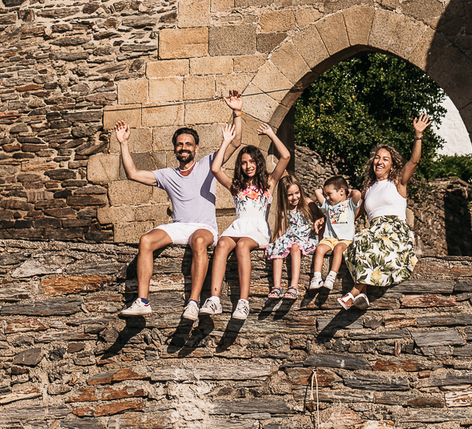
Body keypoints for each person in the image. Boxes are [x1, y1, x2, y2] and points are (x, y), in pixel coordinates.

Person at [116, 91, 243, 319]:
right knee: (146, 240)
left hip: (204, 227)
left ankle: (193, 302)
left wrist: (237, 112)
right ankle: (142, 301)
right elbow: (133, 173)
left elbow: (236, 142)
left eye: (188, 144)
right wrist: (124, 143)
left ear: (196, 148)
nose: (184, 147)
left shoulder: (208, 164)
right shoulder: (167, 175)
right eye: (180, 144)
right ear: (175, 148)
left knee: (199, 241)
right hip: (179, 226)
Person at [198, 121, 292, 320]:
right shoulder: (236, 186)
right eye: (243, 162)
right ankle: (214, 299)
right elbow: (215, 169)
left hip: (257, 229)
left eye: (252, 161)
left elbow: (285, 156)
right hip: (238, 226)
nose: (248, 166)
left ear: (258, 163)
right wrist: (226, 142)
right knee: (222, 244)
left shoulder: (269, 183)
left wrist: (271, 134)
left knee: (242, 246)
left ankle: (243, 301)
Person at [338, 113, 432, 310]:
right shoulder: (368, 189)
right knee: (358, 242)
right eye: (377, 158)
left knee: (371, 243)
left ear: (392, 164)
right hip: (374, 232)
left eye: (385, 159)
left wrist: (418, 135)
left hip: (394, 232)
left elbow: (414, 161)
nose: (379, 161)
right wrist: (326, 221)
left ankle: (354, 292)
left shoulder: (398, 182)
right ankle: (362, 294)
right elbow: (351, 216)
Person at [264, 174, 322, 301]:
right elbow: (281, 230)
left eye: (297, 193)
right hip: (290, 236)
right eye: (290, 195)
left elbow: (321, 218)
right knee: (278, 246)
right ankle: (276, 286)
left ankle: (294, 286)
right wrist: (273, 243)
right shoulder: (284, 209)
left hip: (305, 237)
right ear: (283, 196)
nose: (294, 197)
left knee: (295, 247)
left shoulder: (308, 203)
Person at [309, 175, 362, 291]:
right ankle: (316, 277)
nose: (327, 197)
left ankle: (331, 277)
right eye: (326, 195)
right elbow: (317, 192)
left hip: (345, 239)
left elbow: (358, 194)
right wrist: (326, 191)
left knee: (338, 249)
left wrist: (348, 191)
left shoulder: (350, 204)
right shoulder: (328, 206)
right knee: (320, 249)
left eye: (329, 194)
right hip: (329, 238)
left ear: (341, 191)